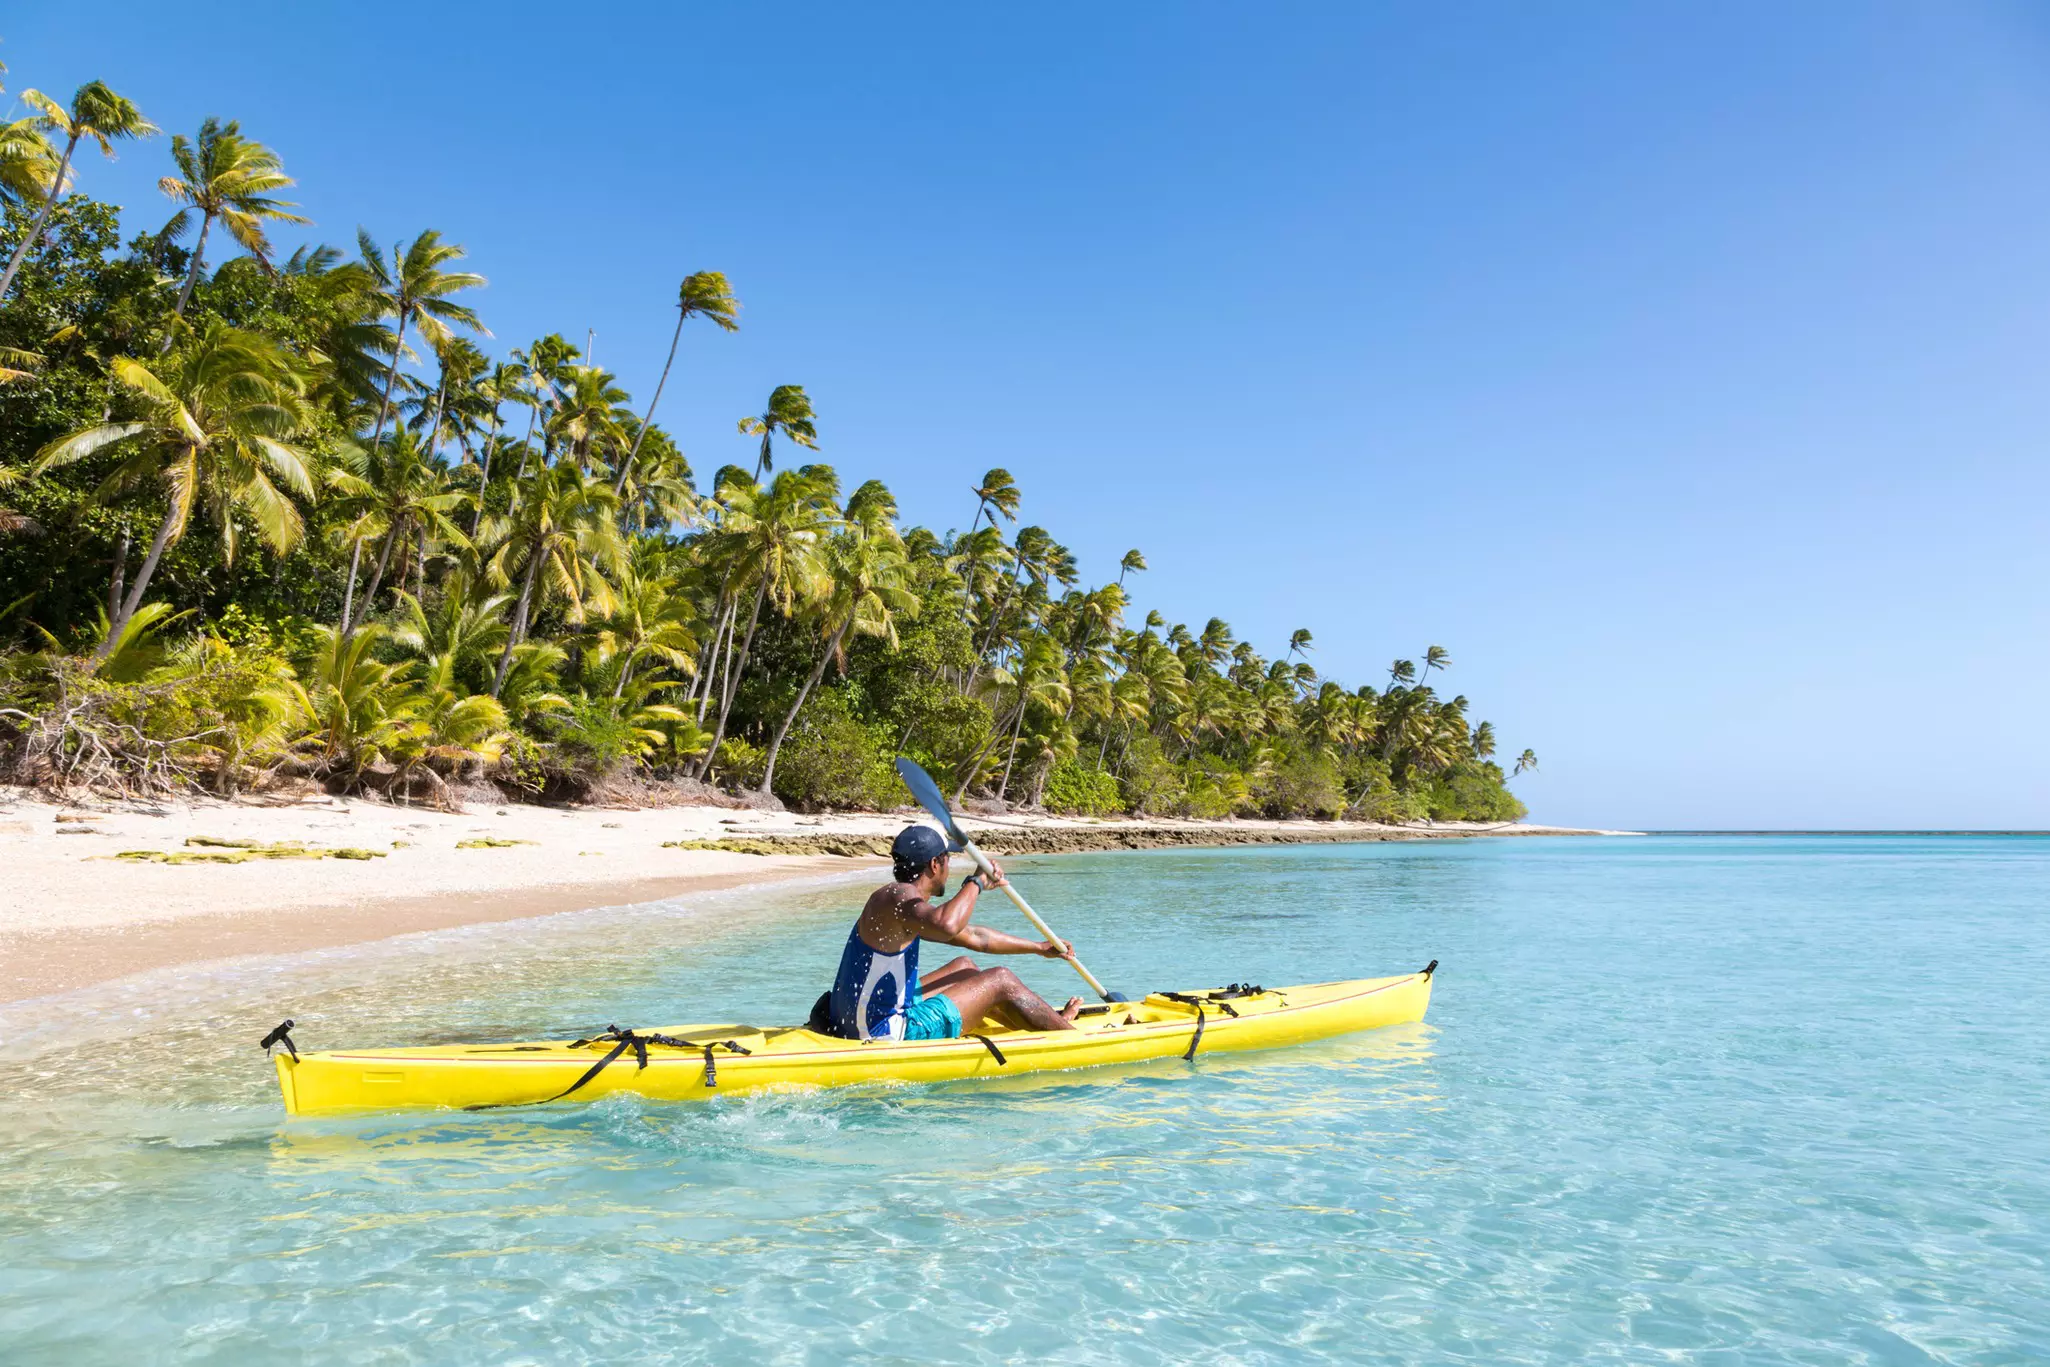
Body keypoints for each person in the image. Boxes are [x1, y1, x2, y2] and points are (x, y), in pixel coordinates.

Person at [827, 825, 1083, 1041]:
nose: (950, 867)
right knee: (1001, 979)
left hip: (852, 1018)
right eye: (948, 859)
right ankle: (1070, 1038)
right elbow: (947, 925)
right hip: (879, 1030)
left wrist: (1039, 948)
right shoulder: (900, 896)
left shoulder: (898, 903)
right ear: (935, 864)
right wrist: (976, 883)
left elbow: (974, 936)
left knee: (965, 968)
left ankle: (1042, 1023)